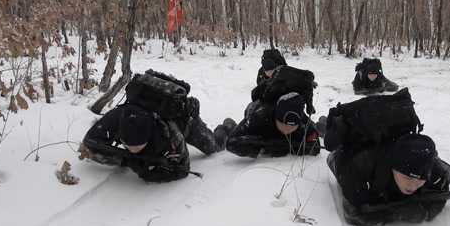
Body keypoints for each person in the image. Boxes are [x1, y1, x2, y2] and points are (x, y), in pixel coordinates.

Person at [80, 71, 220, 183]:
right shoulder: (117, 116)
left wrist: (148, 173)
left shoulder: (167, 128)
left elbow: (182, 168)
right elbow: (89, 145)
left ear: (150, 136)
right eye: (127, 146)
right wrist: (126, 161)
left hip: (184, 118)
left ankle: (226, 128)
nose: (133, 151)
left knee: (213, 146)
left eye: (139, 148)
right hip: (150, 111)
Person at [327, 133, 450, 226]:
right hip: (348, 152)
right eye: (407, 177)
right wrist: (396, 213)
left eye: (420, 180)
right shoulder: (363, 167)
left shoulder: (436, 172)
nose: (412, 185)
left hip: (400, 144)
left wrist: (426, 212)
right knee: (336, 152)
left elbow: (440, 196)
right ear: (393, 168)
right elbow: (353, 214)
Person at [215, 92, 321, 158]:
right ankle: (228, 125)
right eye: (282, 125)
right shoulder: (259, 117)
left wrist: (283, 146)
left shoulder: (303, 121)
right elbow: (231, 143)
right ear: (276, 118)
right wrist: (263, 145)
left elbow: (315, 146)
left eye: (292, 127)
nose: (286, 130)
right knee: (232, 129)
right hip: (254, 109)